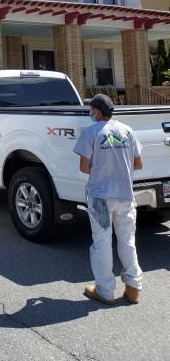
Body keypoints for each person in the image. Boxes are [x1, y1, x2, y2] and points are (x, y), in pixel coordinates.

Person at [73, 93, 143, 305]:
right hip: (125, 195)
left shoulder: (91, 132)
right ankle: (133, 287)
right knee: (127, 240)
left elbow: (84, 167)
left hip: (100, 197)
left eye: (91, 109)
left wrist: (102, 168)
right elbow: (138, 164)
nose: (90, 112)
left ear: (96, 111)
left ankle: (104, 290)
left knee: (102, 243)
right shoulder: (127, 130)